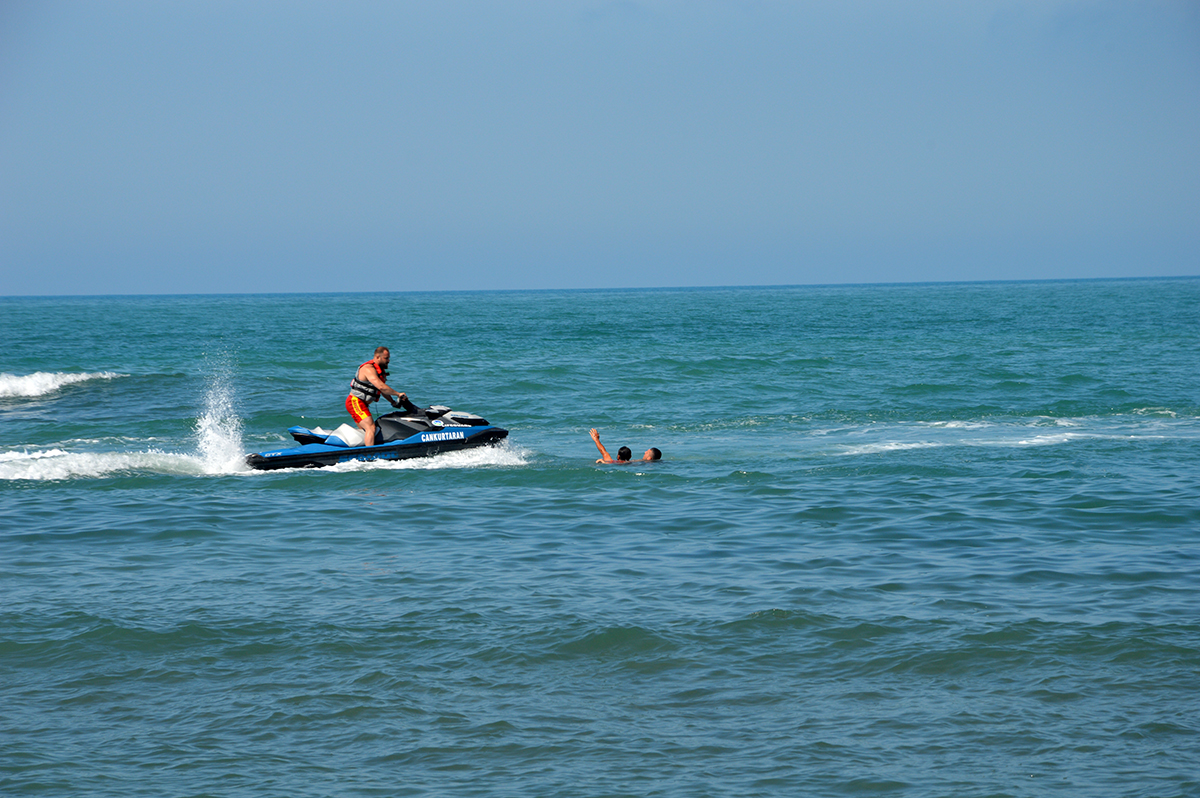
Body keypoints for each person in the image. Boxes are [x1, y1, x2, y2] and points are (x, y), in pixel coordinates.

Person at [347, 347, 413, 446]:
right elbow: (381, 387)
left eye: (389, 358)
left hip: (362, 404)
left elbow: (383, 391)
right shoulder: (368, 369)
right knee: (371, 428)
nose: (389, 361)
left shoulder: (380, 372)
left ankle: (363, 450)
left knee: (366, 430)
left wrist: (393, 402)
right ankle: (371, 456)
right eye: (386, 358)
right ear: (378, 357)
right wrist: (398, 394)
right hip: (355, 402)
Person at [590, 428, 661, 464]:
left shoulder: (613, 462)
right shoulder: (637, 463)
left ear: (649, 458)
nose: (645, 451)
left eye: (647, 452)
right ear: (630, 457)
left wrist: (596, 439)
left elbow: (604, 452)